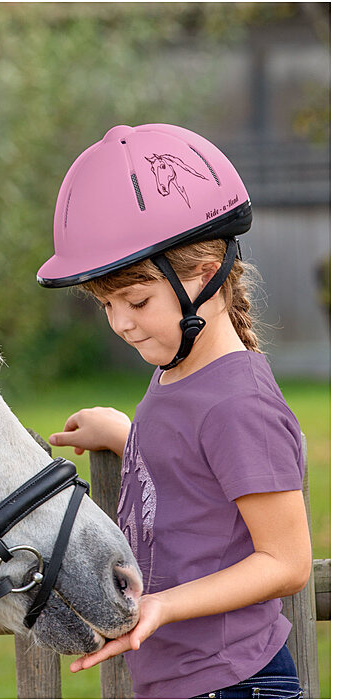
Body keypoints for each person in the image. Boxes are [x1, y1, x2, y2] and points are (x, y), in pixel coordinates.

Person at [37, 124, 312, 699]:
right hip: (184, 681)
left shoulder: (241, 405)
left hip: (233, 682)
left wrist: (162, 606)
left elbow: (286, 562)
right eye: (108, 304)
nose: (120, 323)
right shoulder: (182, 375)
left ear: (206, 275)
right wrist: (124, 435)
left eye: (137, 301)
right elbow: (196, 468)